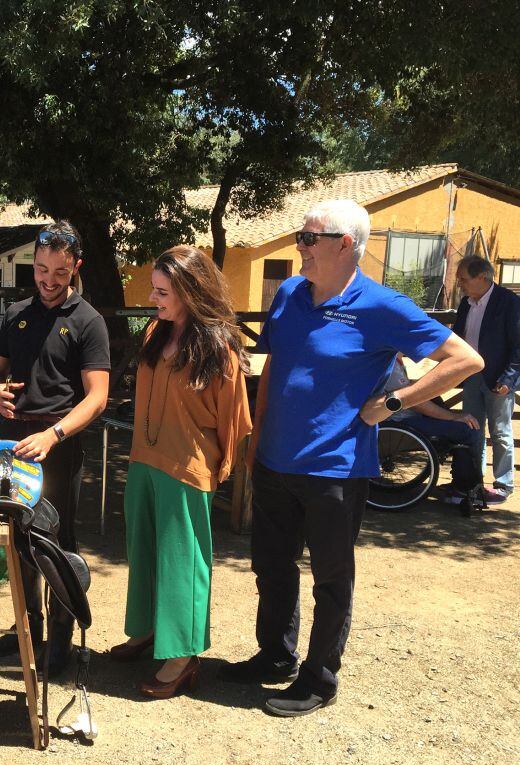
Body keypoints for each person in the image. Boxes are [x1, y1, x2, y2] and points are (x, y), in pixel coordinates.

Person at [218, 199, 483, 717]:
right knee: (271, 566)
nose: (299, 245)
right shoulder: (292, 292)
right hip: (274, 460)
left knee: (332, 578)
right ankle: (275, 655)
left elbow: (466, 360)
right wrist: (256, 433)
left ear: (345, 245)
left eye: (308, 237)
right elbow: (273, 368)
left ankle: (318, 679)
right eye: (300, 236)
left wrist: (392, 403)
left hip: (335, 470)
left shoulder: (383, 306)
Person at [109, 246, 251, 699]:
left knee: (182, 563)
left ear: (191, 292)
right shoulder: (155, 331)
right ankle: (152, 631)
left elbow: (236, 416)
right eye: (154, 288)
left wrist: (222, 464)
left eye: (162, 290)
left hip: (187, 468)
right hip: (144, 460)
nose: (153, 297)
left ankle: (184, 655)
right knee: (146, 551)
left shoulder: (218, 346)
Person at [0, 221, 110, 675]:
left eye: (59, 271)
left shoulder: (88, 321)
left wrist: (54, 436)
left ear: (76, 267)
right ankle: (26, 634)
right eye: (40, 269)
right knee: (17, 542)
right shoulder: (16, 311)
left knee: (55, 544)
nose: (49, 280)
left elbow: (97, 398)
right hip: (13, 446)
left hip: (59, 445)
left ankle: (60, 641)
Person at [453, 255, 520, 503]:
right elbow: (457, 338)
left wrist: (509, 379)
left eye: (464, 279)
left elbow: (518, 346)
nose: (461, 284)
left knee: (500, 432)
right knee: (472, 429)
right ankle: (472, 482)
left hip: (498, 380)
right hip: (470, 376)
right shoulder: (466, 303)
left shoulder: (509, 302)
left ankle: (503, 485)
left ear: (482, 277)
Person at [382, 355, 483, 501]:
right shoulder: (389, 364)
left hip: (404, 418)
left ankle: (465, 482)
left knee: (459, 423)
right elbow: (412, 400)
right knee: (467, 430)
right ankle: (463, 487)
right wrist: (452, 416)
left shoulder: (391, 360)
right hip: (401, 421)